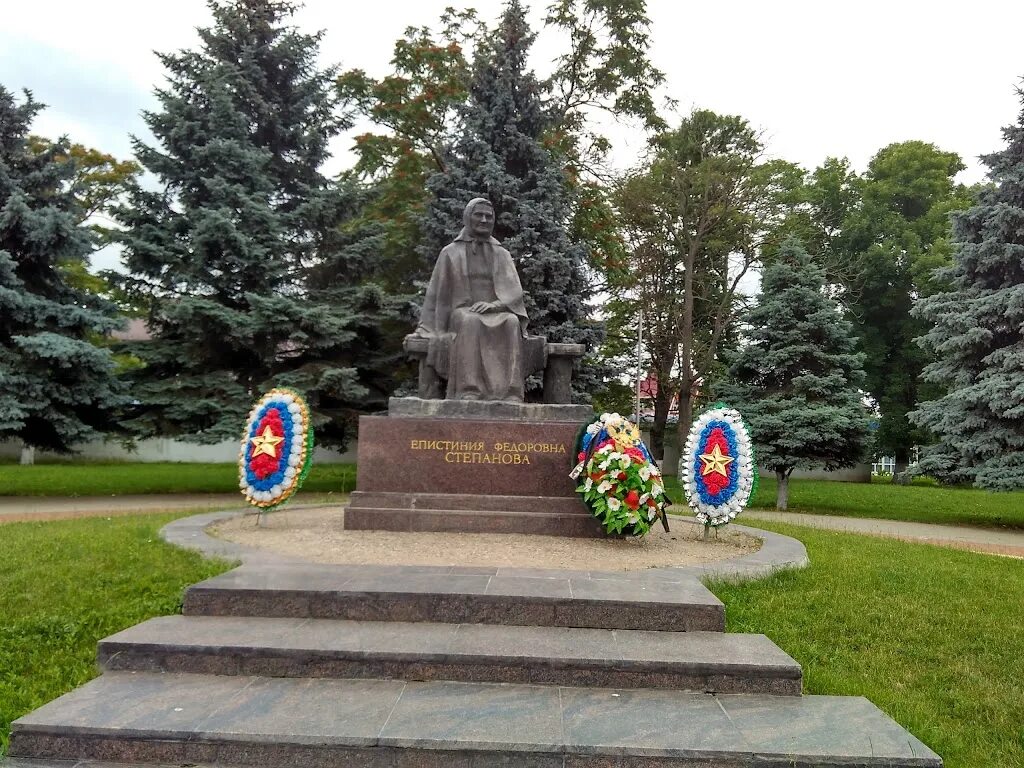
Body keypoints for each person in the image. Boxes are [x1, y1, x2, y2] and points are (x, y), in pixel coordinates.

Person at [415, 198, 529, 401]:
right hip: (462, 312)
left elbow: (514, 291)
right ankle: (469, 389)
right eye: (479, 215)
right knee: (470, 321)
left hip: (497, 311)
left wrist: (494, 305)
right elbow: (436, 293)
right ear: (468, 217)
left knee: (511, 322)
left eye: (489, 216)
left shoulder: (501, 254)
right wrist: (428, 327)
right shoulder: (450, 252)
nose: (484, 220)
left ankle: (511, 392)